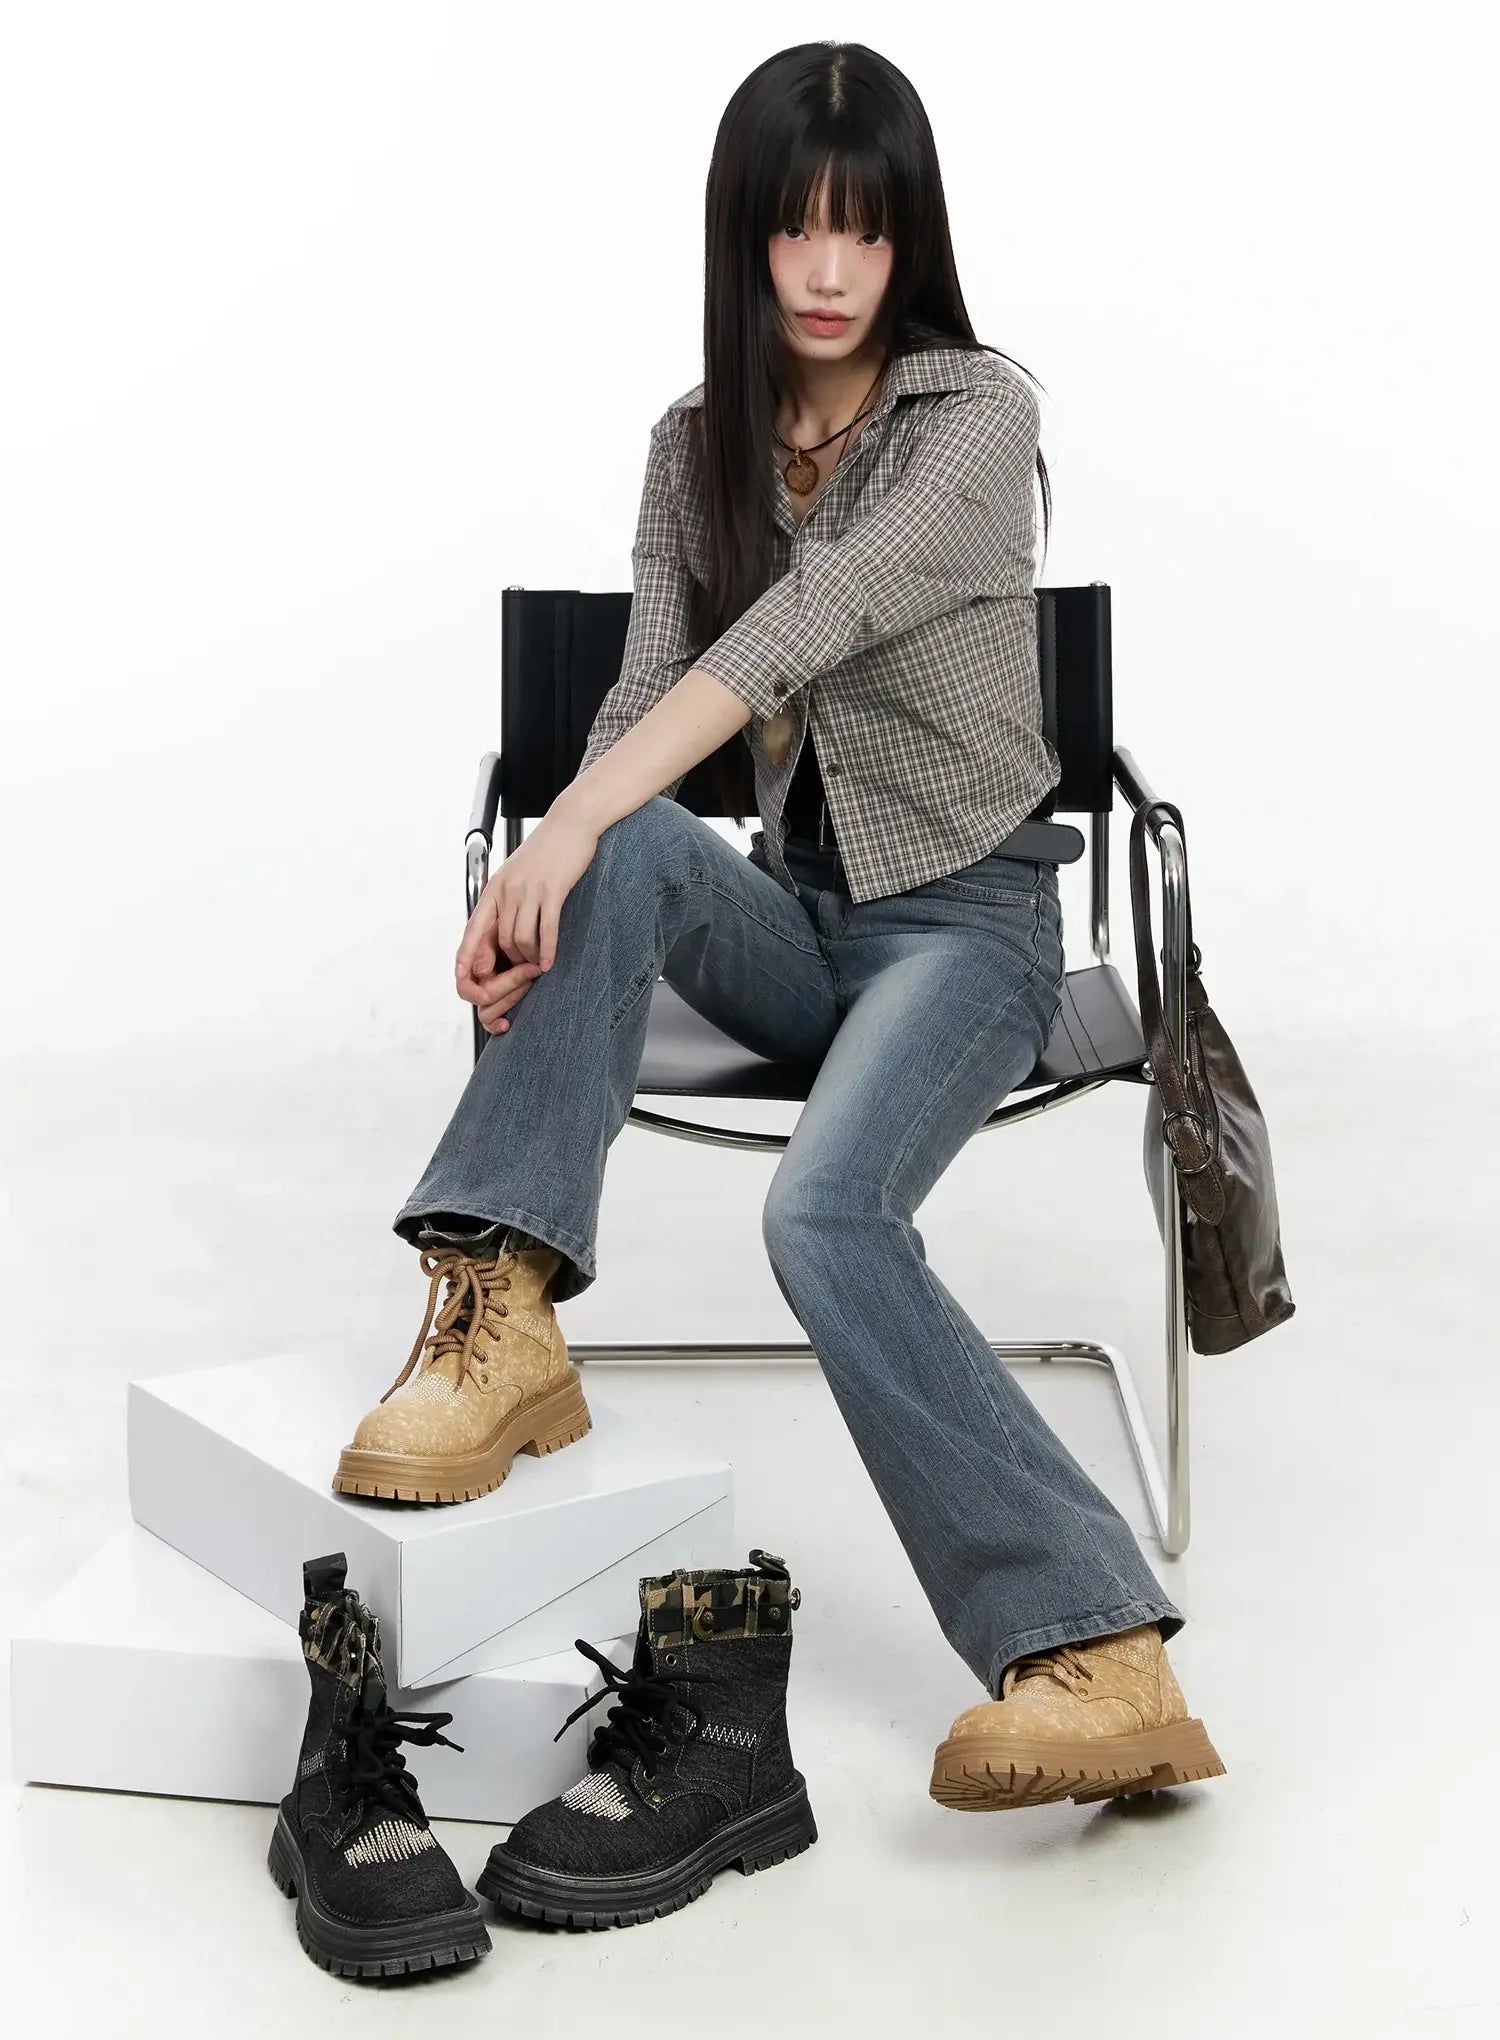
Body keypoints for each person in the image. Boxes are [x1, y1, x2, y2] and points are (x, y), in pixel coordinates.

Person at [330, 41, 1225, 1815]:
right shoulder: (696, 445)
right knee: (631, 839)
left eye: (865, 232)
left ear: (911, 242)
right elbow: (651, 691)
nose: (828, 272)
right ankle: (503, 1306)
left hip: (967, 931)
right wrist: (555, 880)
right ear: (742, 235)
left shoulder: (977, 418)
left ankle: (1100, 1646)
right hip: (802, 927)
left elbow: (800, 629)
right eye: (795, 229)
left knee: (822, 1209)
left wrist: (567, 829)